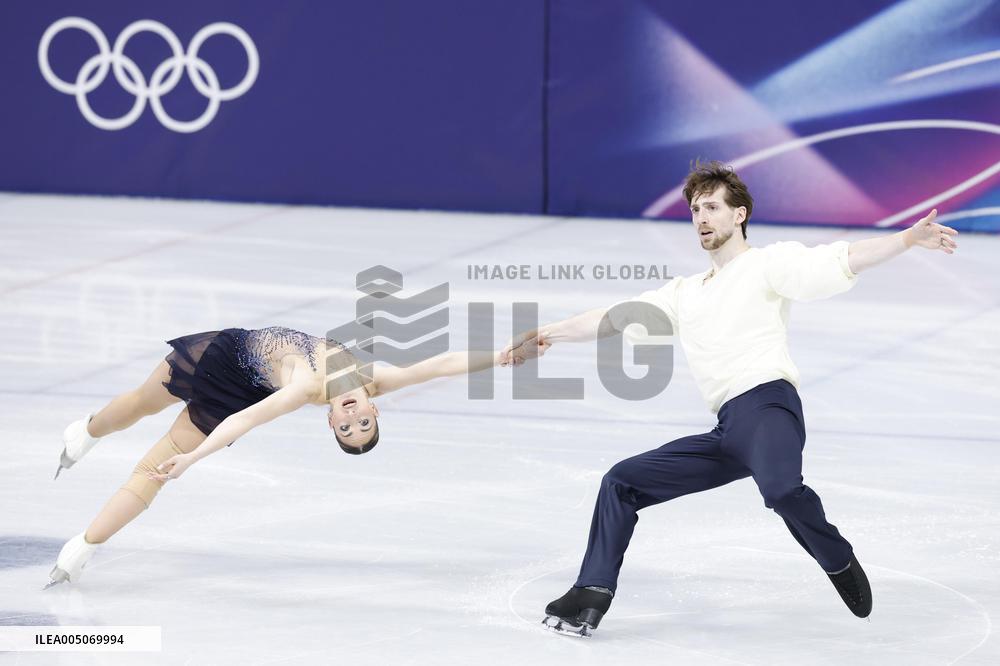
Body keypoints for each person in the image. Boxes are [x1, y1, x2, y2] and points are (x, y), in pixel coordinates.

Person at [502, 161, 959, 637]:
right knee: (621, 482)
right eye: (695, 210)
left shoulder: (766, 264)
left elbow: (841, 259)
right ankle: (591, 591)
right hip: (727, 430)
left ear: (739, 214)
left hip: (767, 408)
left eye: (712, 207)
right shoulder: (684, 294)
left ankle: (836, 557)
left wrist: (907, 239)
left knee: (780, 491)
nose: (701, 217)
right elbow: (616, 317)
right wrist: (547, 333)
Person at [48, 325, 543, 587]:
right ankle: (86, 432)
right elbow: (441, 364)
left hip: (238, 397)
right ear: (374, 409)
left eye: (346, 430)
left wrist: (194, 458)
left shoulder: (305, 388)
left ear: (330, 422)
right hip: (219, 352)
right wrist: (502, 356)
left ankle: (83, 548)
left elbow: (243, 420)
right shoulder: (375, 380)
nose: (353, 419)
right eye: (363, 424)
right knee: (138, 404)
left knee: (154, 469)